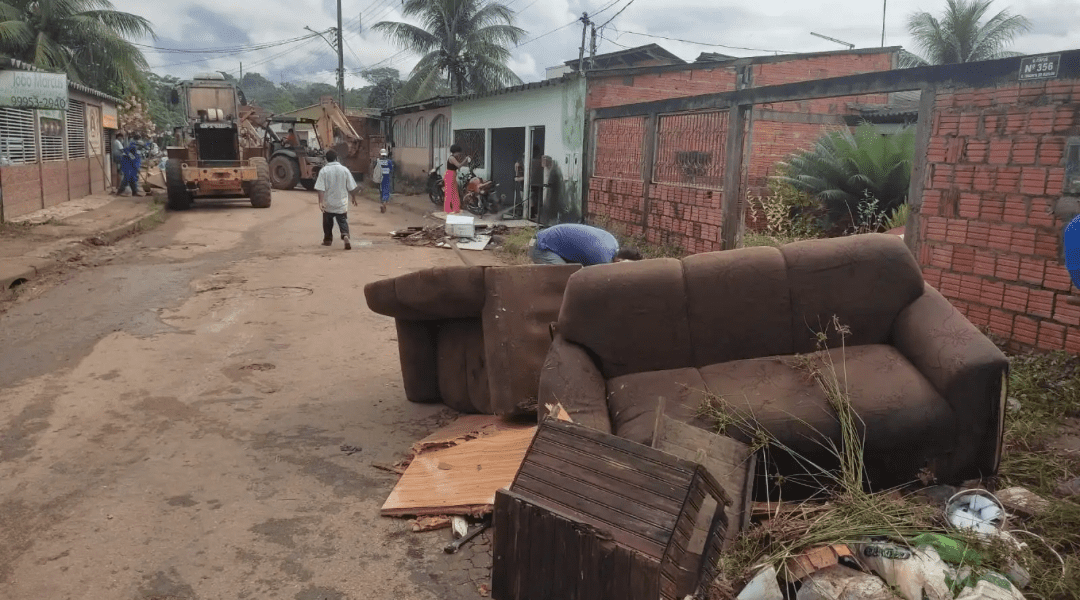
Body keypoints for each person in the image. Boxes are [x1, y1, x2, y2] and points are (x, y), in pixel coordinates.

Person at [530, 223, 643, 266]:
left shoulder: (613, 242)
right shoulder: (602, 258)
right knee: (564, 278)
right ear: (618, 261)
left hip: (550, 239)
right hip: (542, 246)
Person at [314, 149, 359, 250]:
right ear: (336, 158)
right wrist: (354, 198)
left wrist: (320, 202)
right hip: (341, 203)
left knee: (327, 222)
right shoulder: (344, 170)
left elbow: (320, 188)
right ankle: (345, 235)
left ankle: (328, 240)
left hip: (328, 203)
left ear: (326, 159)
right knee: (342, 220)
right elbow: (351, 187)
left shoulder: (324, 171)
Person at [444, 144, 470, 215]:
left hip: (453, 175)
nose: (459, 154)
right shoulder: (452, 158)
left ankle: (456, 209)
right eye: (458, 152)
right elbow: (458, 166)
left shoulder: (454, 157)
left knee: (455, 192)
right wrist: (465, 159)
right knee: (449, 192)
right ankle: (447, 209)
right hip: (449, 175)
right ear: (455, 151)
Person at [376, 148, 394, 213]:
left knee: (381, 190)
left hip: (381, 178)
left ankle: (383, 203)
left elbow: (376, 170)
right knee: (387, 191)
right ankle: (384, 203)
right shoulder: (389, 161)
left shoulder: (379, 161)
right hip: (387, 178)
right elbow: (391, 169)